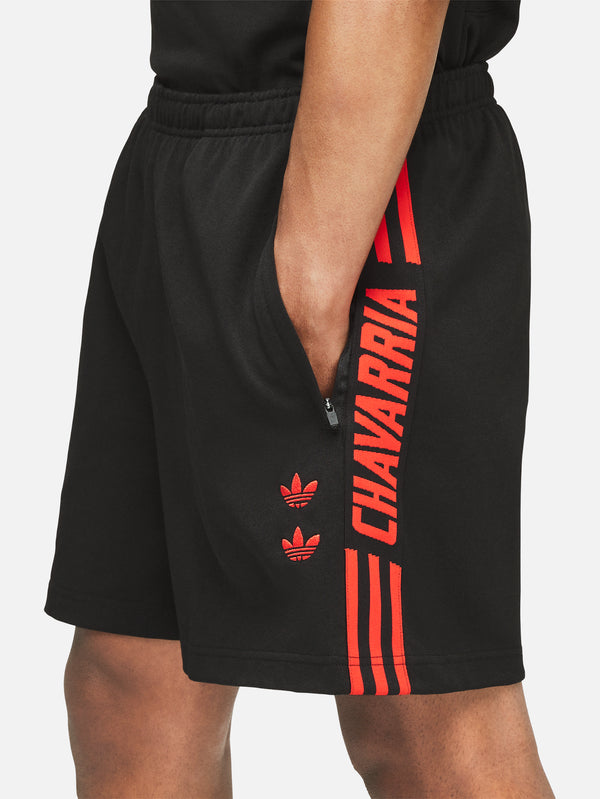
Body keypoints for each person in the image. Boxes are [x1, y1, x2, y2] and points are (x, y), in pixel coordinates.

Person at [43, 1, 555, 796]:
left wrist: (310, 286)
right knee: (131, 686)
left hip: (355, 166)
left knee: (418, 713)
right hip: (183, 145)